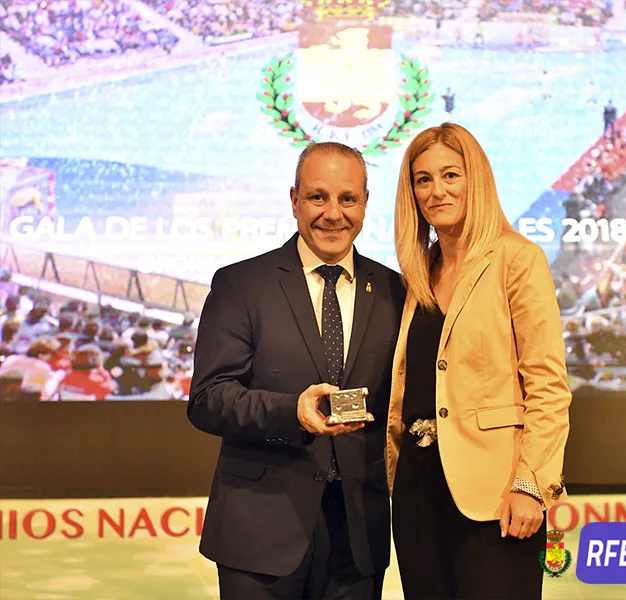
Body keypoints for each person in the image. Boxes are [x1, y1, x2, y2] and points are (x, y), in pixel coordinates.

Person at [188, 142, 405, 599]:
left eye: (347, 198)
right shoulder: (241, 284)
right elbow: (209, 398)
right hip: (259, 534)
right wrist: (292, 412)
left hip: (358, 539)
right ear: (294, 200)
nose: (333, 213)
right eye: (317, 197)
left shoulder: (395, 290)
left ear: (365, 202)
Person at [387, 123, 571, 599]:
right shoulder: (418, 273)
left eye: (451, 174)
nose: (437, 190)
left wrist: (531, 484)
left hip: (497, 494)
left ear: (477, 180)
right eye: (423, 180)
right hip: (417, 490)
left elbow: (548, 386)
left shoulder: (518, 258)